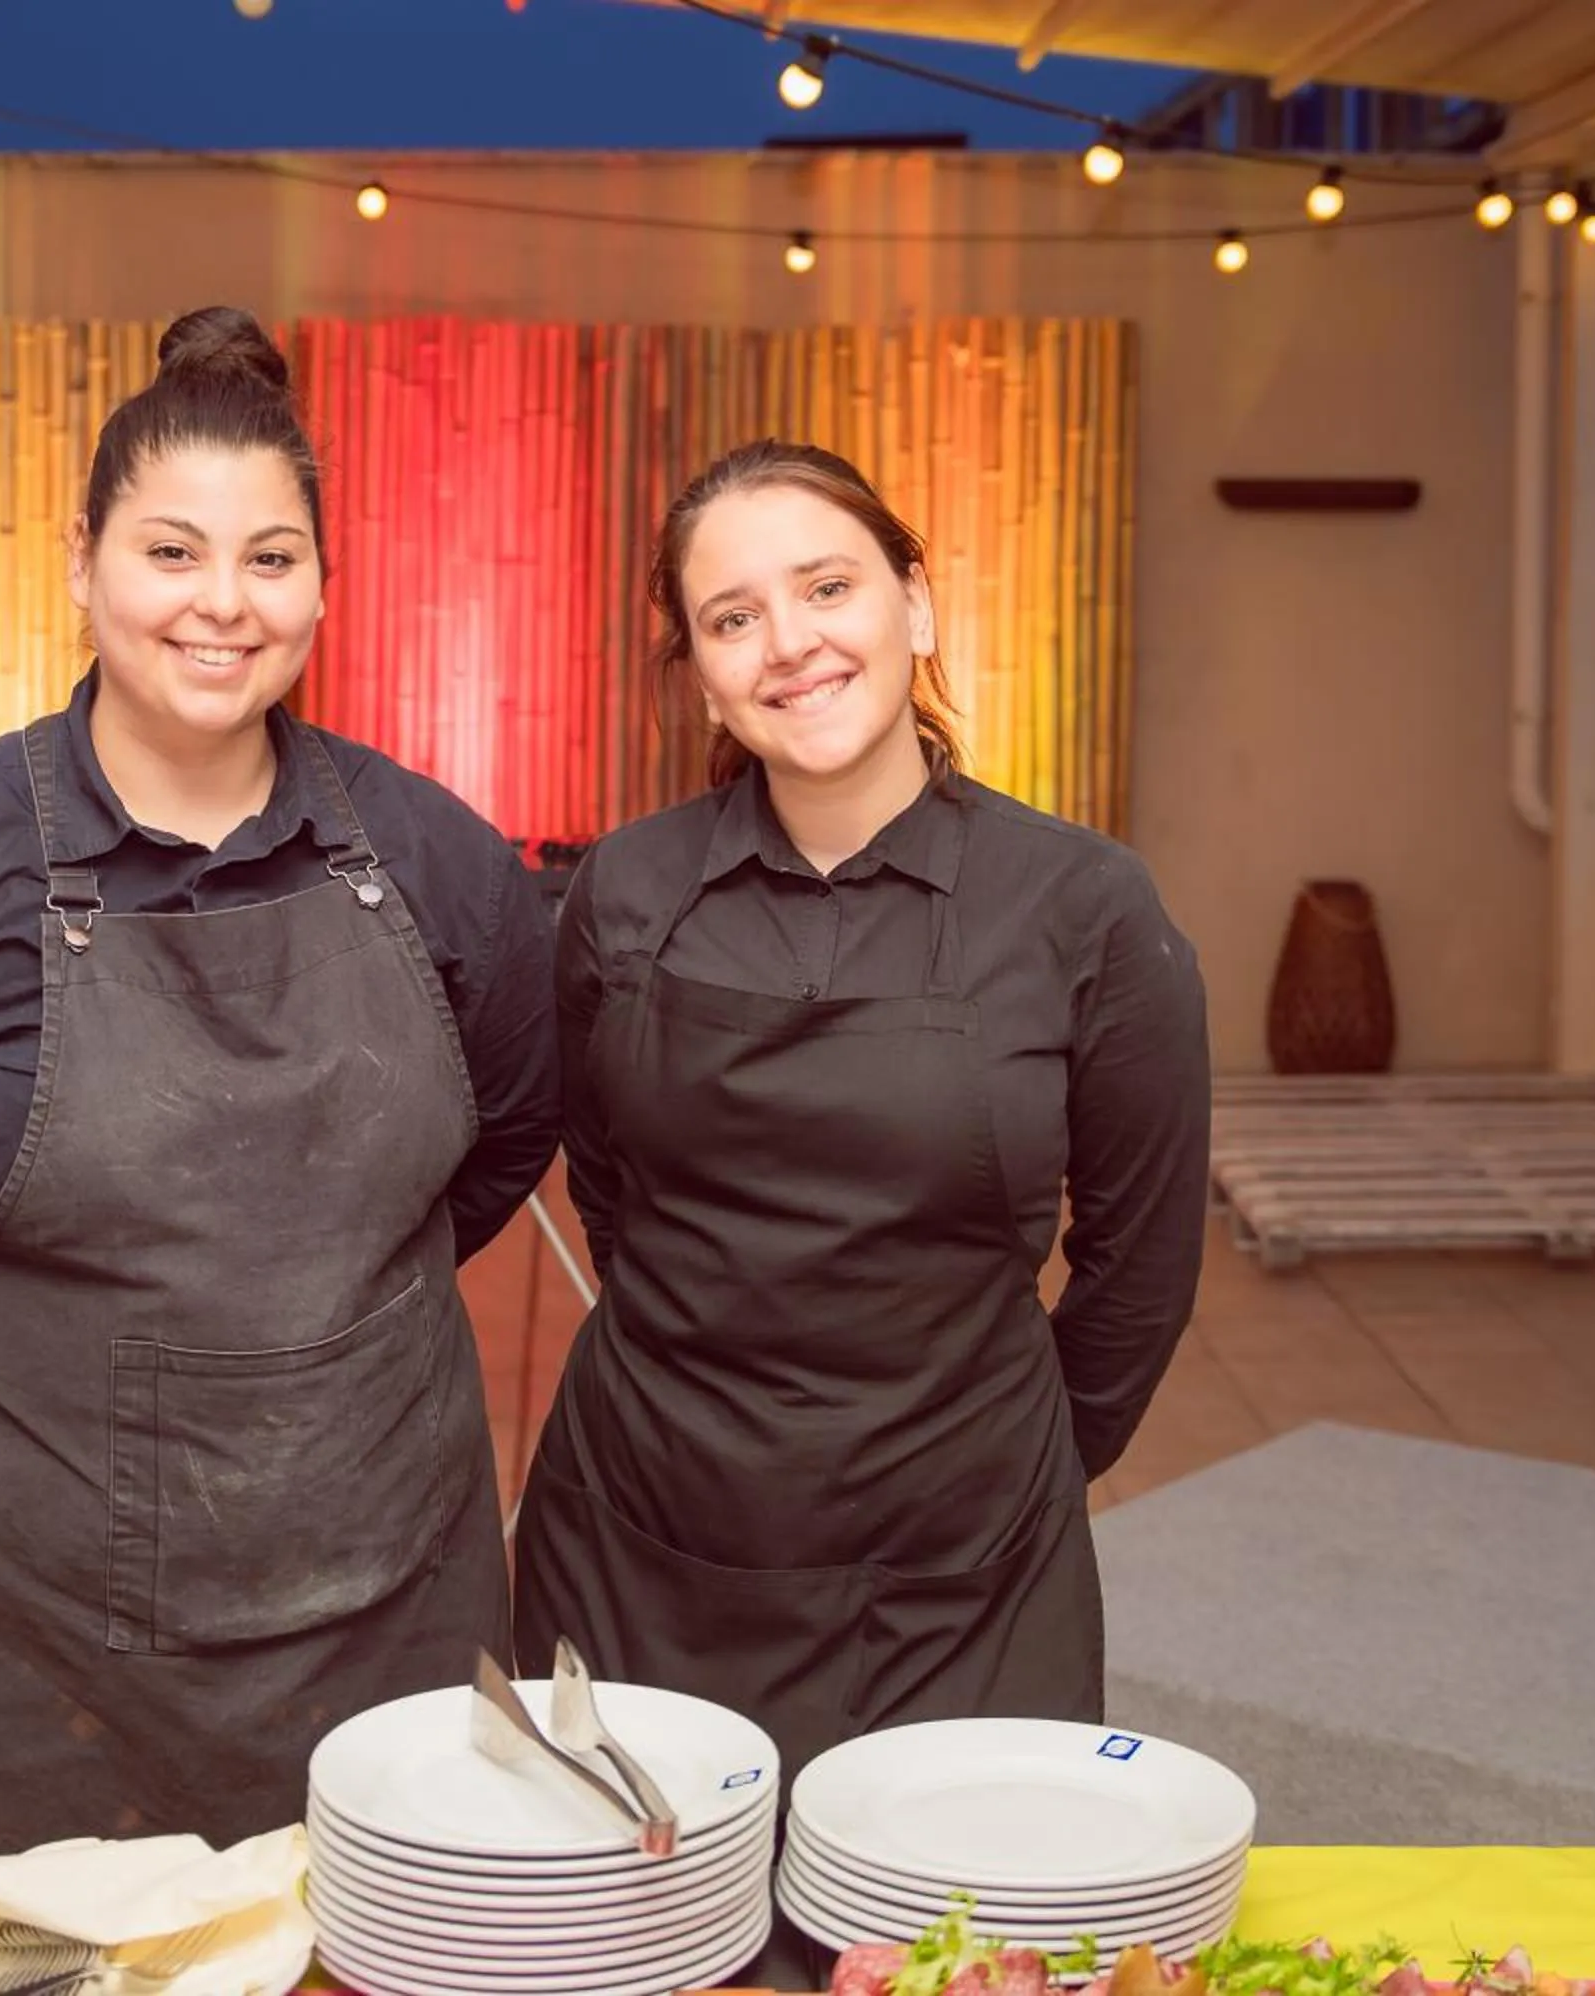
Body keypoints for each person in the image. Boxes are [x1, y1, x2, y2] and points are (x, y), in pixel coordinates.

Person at [0, 306, 560, 1862]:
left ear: (324, 585)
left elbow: (505, 1137)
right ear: (82, 561)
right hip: (20, 1637)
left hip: (383, 1592)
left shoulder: (442, 865)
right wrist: (0, 1358)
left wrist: (296, 1327)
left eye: (271, 558)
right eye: (171, 552)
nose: (223, 603)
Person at [512, 438, 1210, 1797]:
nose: (790, 643)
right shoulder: (624, 892)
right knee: (640, 1901)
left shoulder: (1084, 907)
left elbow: (1142, 1264)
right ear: (702, 673)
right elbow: (609, 1191)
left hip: (965, 1578)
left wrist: (1008, 1462)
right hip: (639, 1543)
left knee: (949, 1906)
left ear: (917, 606)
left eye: (827, 588)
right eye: (733, 618)